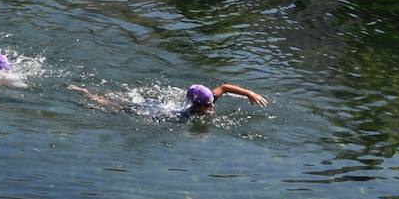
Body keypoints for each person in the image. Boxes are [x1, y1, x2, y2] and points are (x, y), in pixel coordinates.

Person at [68, 81, 267, 120]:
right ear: (197, 105)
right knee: (118, 106)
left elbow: (224, 87)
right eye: (208, 105)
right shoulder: (184, 114)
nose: (212, 106)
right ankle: (84, 92)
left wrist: (250, 93)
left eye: (211, 102)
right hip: (153, 109)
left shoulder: (208, 99)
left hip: (159, 105)